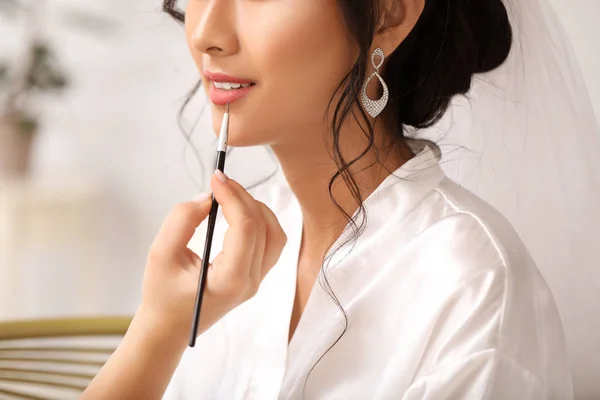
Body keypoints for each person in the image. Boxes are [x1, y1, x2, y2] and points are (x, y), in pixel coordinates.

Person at [81, 0, 600, 398]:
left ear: (388, 14)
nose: (204, 32)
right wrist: (159, 328)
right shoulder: (216, 253)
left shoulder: (472, 288)